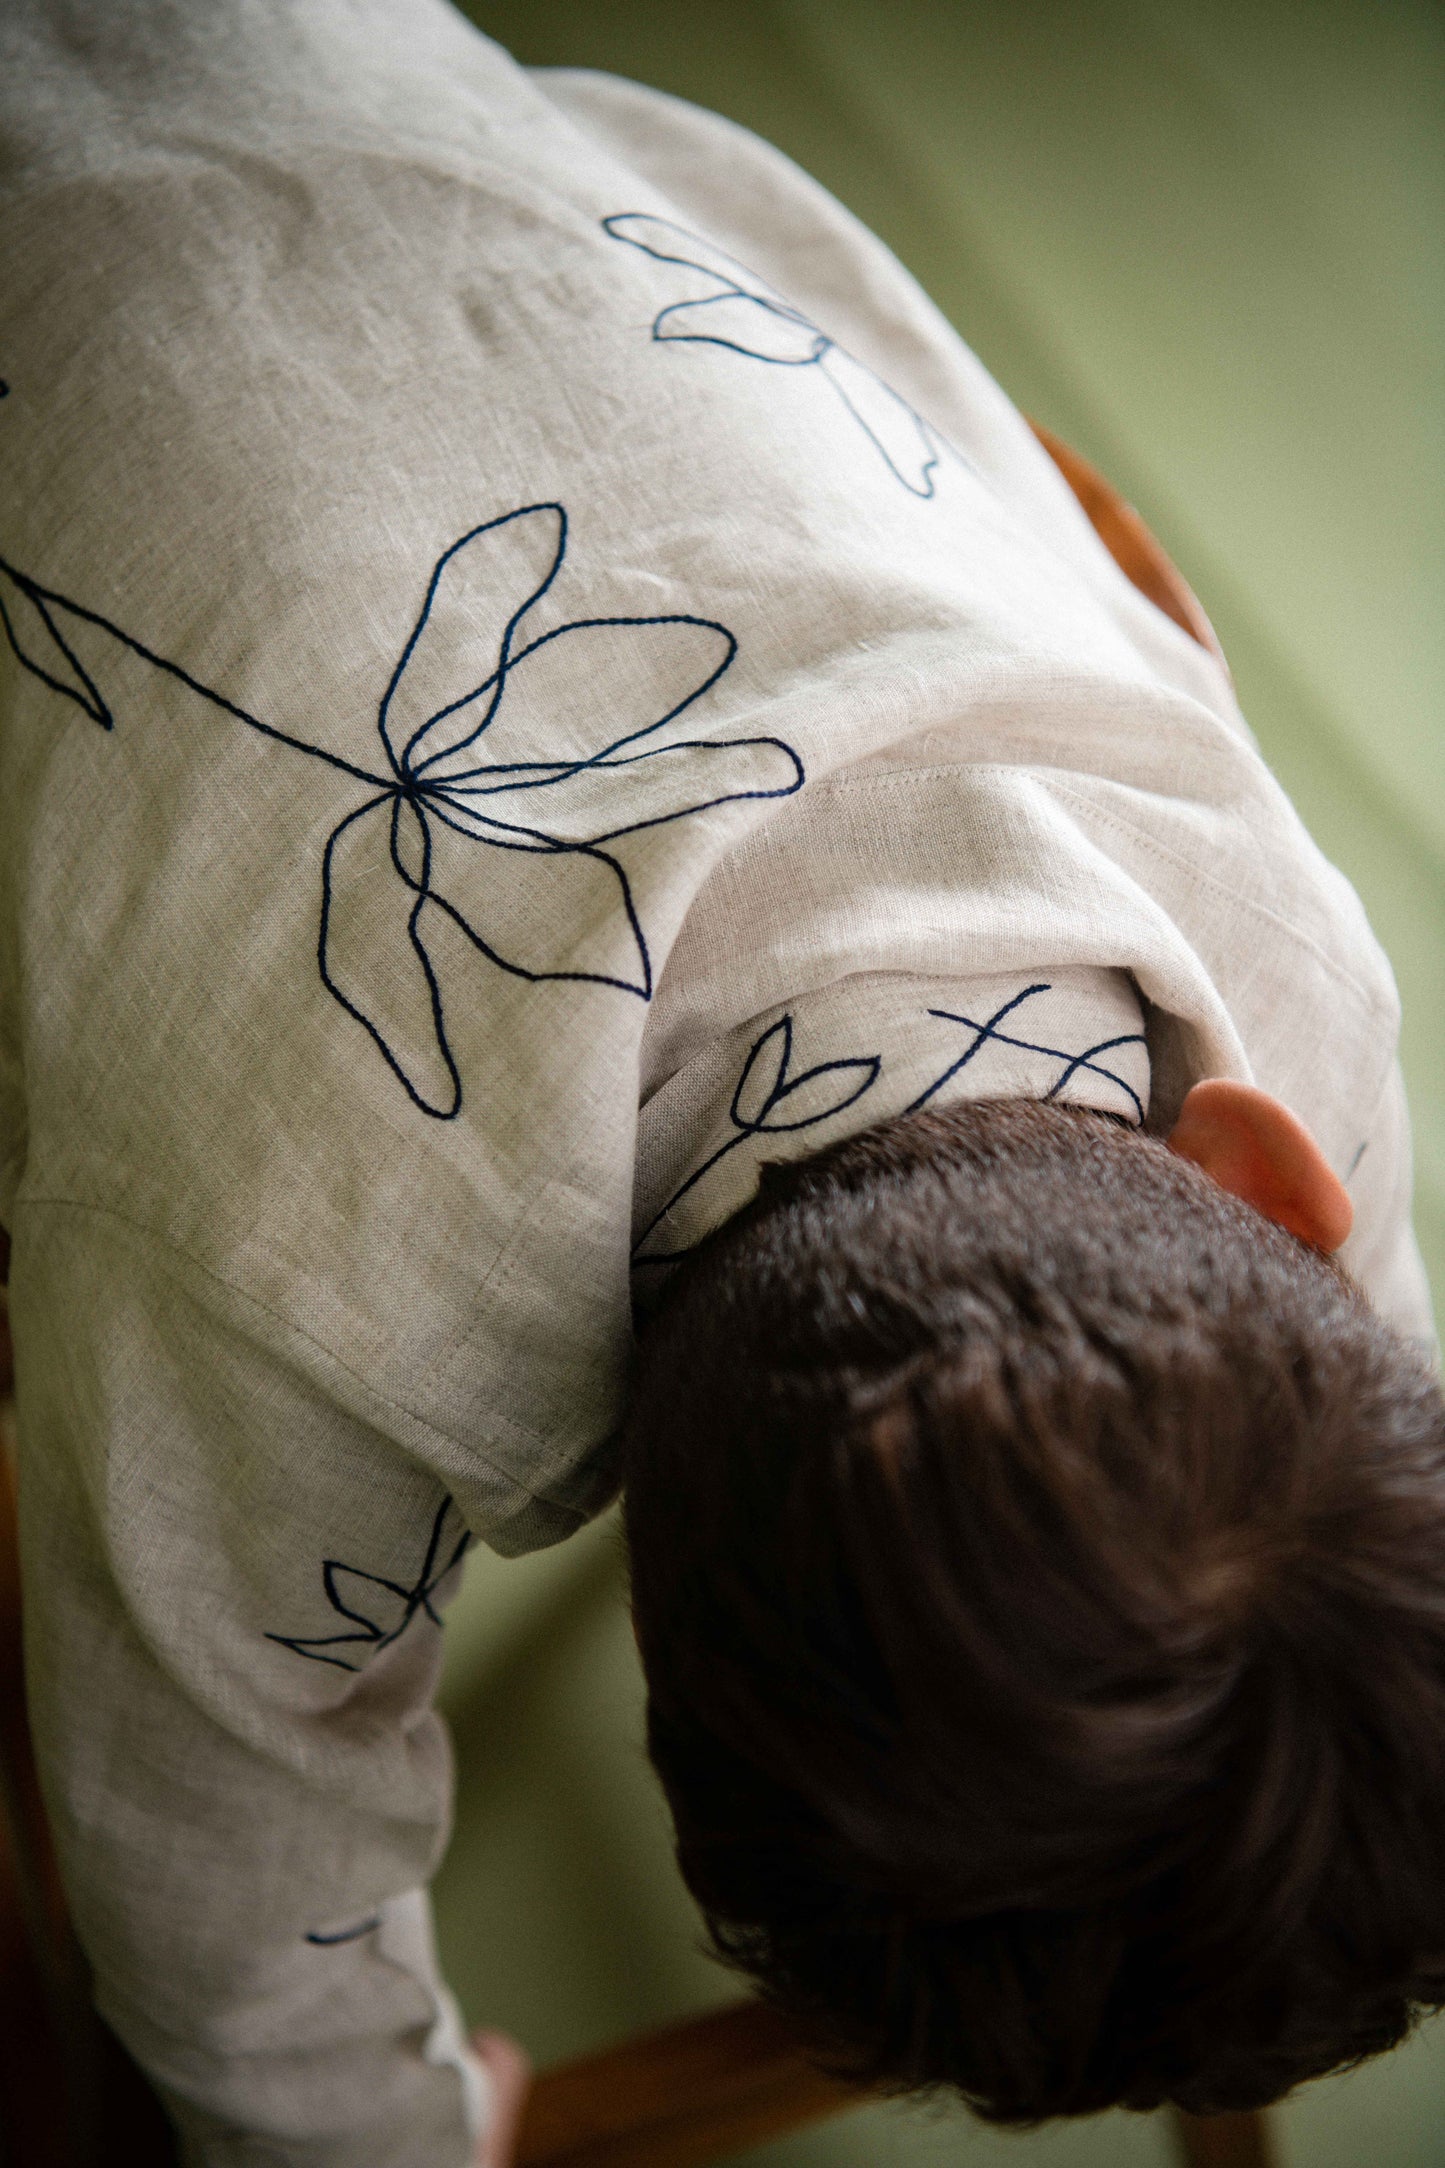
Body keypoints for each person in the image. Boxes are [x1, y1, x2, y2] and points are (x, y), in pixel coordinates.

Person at [0, 1, 1437, 2162]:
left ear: (1260, 1176)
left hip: (392, 110)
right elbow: (211, 1864)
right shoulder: (322, 1290)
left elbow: (1361, 1370)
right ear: (621, 1527)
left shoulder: (1273, 971)